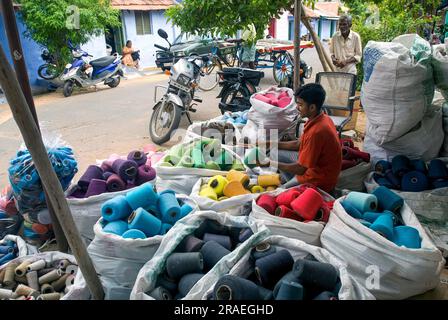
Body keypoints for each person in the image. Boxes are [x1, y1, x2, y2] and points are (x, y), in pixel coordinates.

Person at [257, 84, 342, 194]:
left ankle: (293, 186)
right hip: (316, 168)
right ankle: (290, 181)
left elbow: (301, 169)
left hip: (318, 180)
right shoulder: (321, 118)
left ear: (312, 107)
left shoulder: (317, 132)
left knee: (278, 194)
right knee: (275, 152)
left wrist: (270, 163)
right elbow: (298, 144)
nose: (297, 107)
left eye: (300, 105)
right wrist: (269, 143)